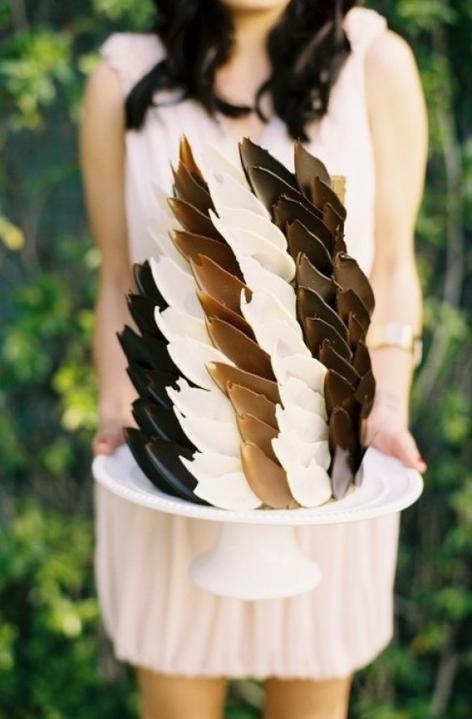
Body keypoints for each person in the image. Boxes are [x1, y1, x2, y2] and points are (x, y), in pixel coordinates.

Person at [79, 1, 428, 717]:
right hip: (173, 468)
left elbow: (394, 265)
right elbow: (117, 280)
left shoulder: (373, 62)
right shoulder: (121, 79)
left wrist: (388, 406)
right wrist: (118, 410)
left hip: (327, 474)